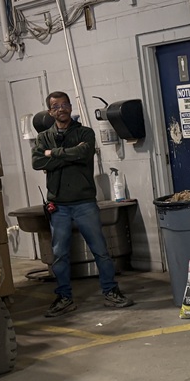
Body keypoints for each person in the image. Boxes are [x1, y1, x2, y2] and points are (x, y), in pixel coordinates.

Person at [32, 91, 134, 318]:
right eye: (56, 106)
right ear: (50, 112)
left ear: (70, 107)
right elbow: (37, 162)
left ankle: (111, 292)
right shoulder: (43, 137)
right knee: (59, 254)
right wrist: (67, 155)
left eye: (64, 104)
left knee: (100, 250)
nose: (61, 109)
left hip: (84, 203)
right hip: (58, 205)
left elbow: (83, 153)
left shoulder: (85, 133)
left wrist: (53, 155)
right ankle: (64, 298)